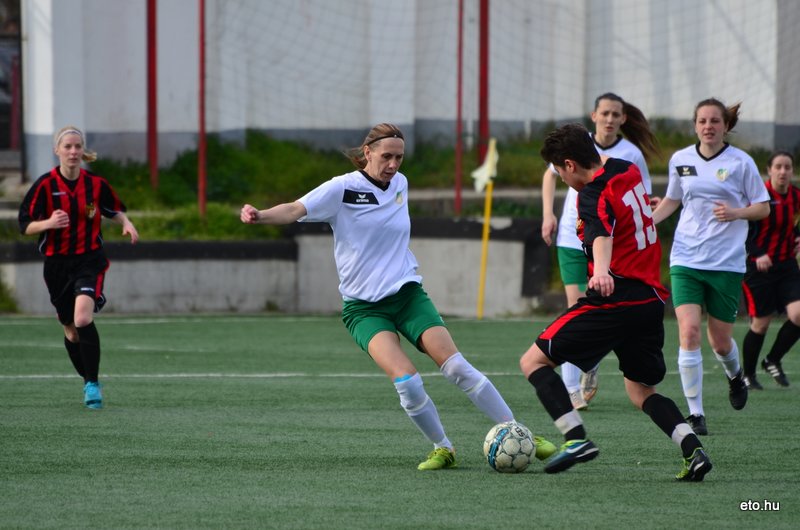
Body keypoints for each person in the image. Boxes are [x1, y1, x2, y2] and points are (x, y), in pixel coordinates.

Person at [240, 123, 556, 470]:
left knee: (456, 367)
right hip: (364, 309)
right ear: (367, 153)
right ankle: (443, 448)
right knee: (407, 381)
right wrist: (260, 216)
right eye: (387, 156)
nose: (393, 165)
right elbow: (295, 209)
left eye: (399, 158)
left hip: (407, 296)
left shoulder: (400, 184)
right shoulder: (342, 189)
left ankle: (519, 432)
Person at [521, 123, 711, 481]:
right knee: (640, 391)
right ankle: (693, 450)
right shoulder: (627, 169)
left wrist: (602, 271)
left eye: (560, 173)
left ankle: (575, 439)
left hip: (616, 299)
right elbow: (621, 214)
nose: (563, 180)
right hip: (649, 302)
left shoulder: (590, 195)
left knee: (532, 360)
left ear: (570, 164)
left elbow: (601, 234)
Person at [651, 98, 770, 435]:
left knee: (720, 342)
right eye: (702, 121)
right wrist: (646, 222)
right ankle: (696, 413)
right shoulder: (681, 159)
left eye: (715, 121)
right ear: (695, 125)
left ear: (725, 126)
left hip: (726, 263)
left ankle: (735, 376)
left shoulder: (741, 162)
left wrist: (736, 213)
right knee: (688, 331)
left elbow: (763, 208)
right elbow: (673, 199)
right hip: (686, 259)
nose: (708, 126)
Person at [541, 92, 661, 411]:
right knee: (575, 306)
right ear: (594, 116)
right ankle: (571, 390)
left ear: (623, 119)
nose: (609, 119)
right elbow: (550, 174)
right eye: (604, 113)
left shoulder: (629, 155)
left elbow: (639, 196)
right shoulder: (575, 144)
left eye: (615, 114)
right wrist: (548, 214)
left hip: (608, 242)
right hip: (572, 237)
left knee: (593, 309)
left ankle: (590, 357)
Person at [18, 125, 139, 409]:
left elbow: (113, 210)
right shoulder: (44, 185)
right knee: (71, 331)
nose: (73, 152)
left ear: (83, 151)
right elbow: (24, 225)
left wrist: (126, 223)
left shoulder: (96, 184)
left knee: (82, 318)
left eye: (77, 146)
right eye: (68, 147)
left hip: (89, 260)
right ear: (57, 150)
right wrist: (48, 223)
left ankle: (92, 384)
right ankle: (88, 379)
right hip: (56, 266)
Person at [741, 151, 800, 389]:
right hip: (758, 269)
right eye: (778, 167)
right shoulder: (758, 196)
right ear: (769, 170)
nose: (783, 171)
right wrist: (758, 253)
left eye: (787, 167)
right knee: (761, 324)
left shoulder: (796, 196)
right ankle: (748, 374)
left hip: (787, 266)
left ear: (792, 171)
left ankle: (772, 360)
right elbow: (742, 231)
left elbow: (794, 224)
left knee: (798, 315)